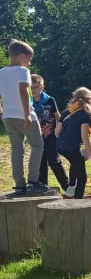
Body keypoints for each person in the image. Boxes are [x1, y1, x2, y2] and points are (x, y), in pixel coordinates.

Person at [0, 39, 44, 194]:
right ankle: (33, 181)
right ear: (20, 56)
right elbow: (24, 92)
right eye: (29, 59)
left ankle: (19, 184)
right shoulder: (22, 71)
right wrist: (27, 115)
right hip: (24, 115)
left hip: (8, 117)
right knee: (37, 145)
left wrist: (1, 110)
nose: (29, 64)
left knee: (17, 150)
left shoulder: (1, 72)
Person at [55, 87, 91, 198]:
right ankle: (78, 200)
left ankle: (71, 188)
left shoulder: (66, 112)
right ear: (89, 102)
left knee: (76, 161)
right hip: (71, 148)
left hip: (60, 147)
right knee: (82, 177)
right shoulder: (84, 115)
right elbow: (85, 138)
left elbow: (56, 133)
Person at [30, 74, 68, 192]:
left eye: (36, 87)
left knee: (53, 160)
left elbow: (58, 117)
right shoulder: (28, 102)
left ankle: (67, 186)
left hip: (51, 136)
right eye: (31, 87)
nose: (33, 90)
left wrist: (63, 131)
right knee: (41, 162)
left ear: (42, 87)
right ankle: (42, 186)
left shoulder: (50, 100)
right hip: (37, 137)